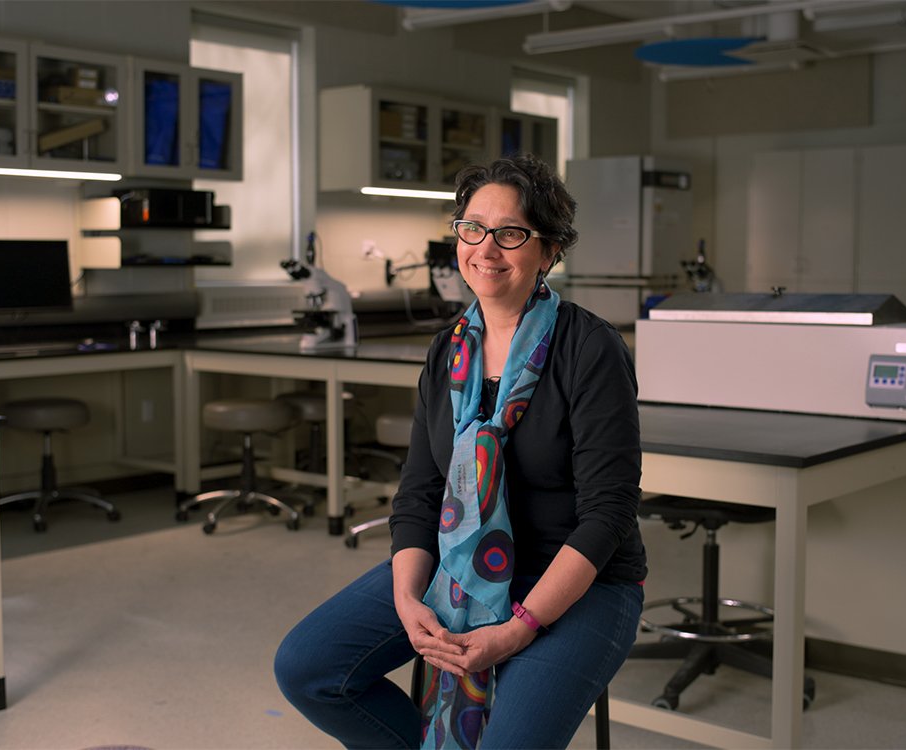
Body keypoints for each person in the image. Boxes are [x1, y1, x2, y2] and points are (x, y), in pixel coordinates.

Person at [274, 154, 647, 750]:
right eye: (473, 228)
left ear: (549, 251)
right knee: (308, 669)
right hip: (458, 563)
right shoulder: (449, 349)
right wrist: (406, 600)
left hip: (578, 581)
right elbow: (420, 491)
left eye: (511, 234)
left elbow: (608, 515)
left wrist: (519, 629)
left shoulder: (590, 349)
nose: (486, 248)